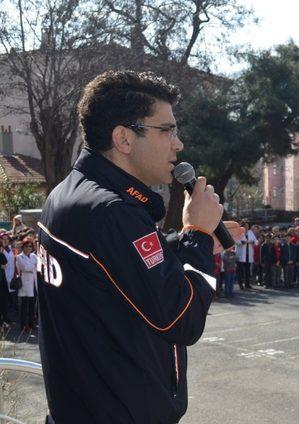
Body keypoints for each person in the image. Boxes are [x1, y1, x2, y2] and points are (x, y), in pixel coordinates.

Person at [37, 70, 243, 423]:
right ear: (124, 139)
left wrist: (185, 245)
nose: (178, 144)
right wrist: (196, 234)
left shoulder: (69, 193)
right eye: (167, 130)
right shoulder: (113, 211)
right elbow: (183, 319)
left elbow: (116, 273)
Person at [235, 220, 257, 290]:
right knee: (240, 271)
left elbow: (256, 242)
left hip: (248, 255)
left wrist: (253, 242)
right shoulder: (239, 232)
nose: (246, 227)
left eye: (247, 226)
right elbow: (235, 241)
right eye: (245, 226)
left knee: (247, 271)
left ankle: (247, 284)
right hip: (241, 255)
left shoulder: (251, 232)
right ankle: (241, 284)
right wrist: (242, 242)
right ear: (242, 226)